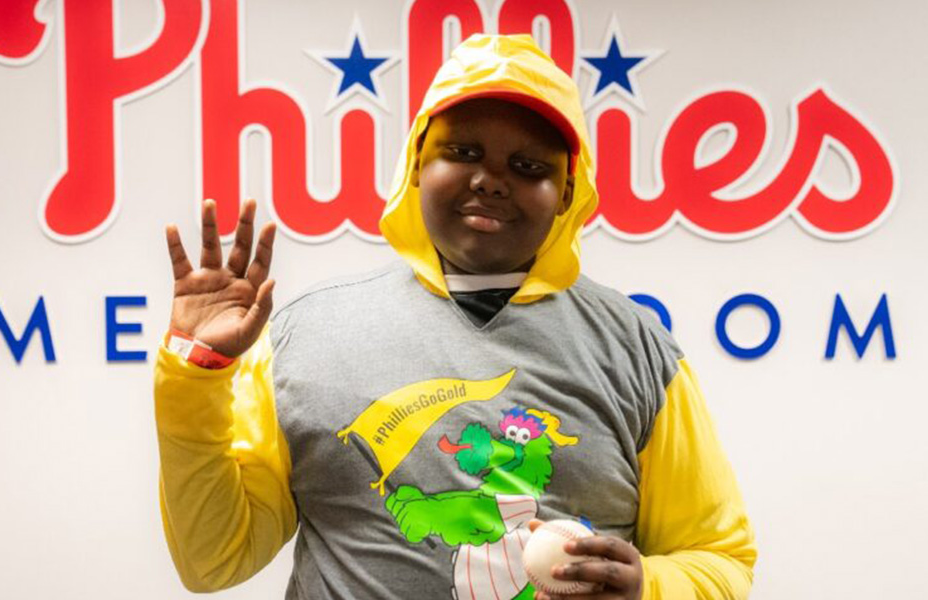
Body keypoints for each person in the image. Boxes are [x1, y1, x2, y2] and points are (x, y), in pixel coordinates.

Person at [154, 34, 757, 600]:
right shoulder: (305, 335)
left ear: (568, 194)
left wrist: (648, 586)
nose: (491, 181)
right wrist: (195, 372)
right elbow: (212, 558)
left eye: (529, 167)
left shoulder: (634, 350)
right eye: (463, 152)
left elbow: (720, 557)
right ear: (417, 162)